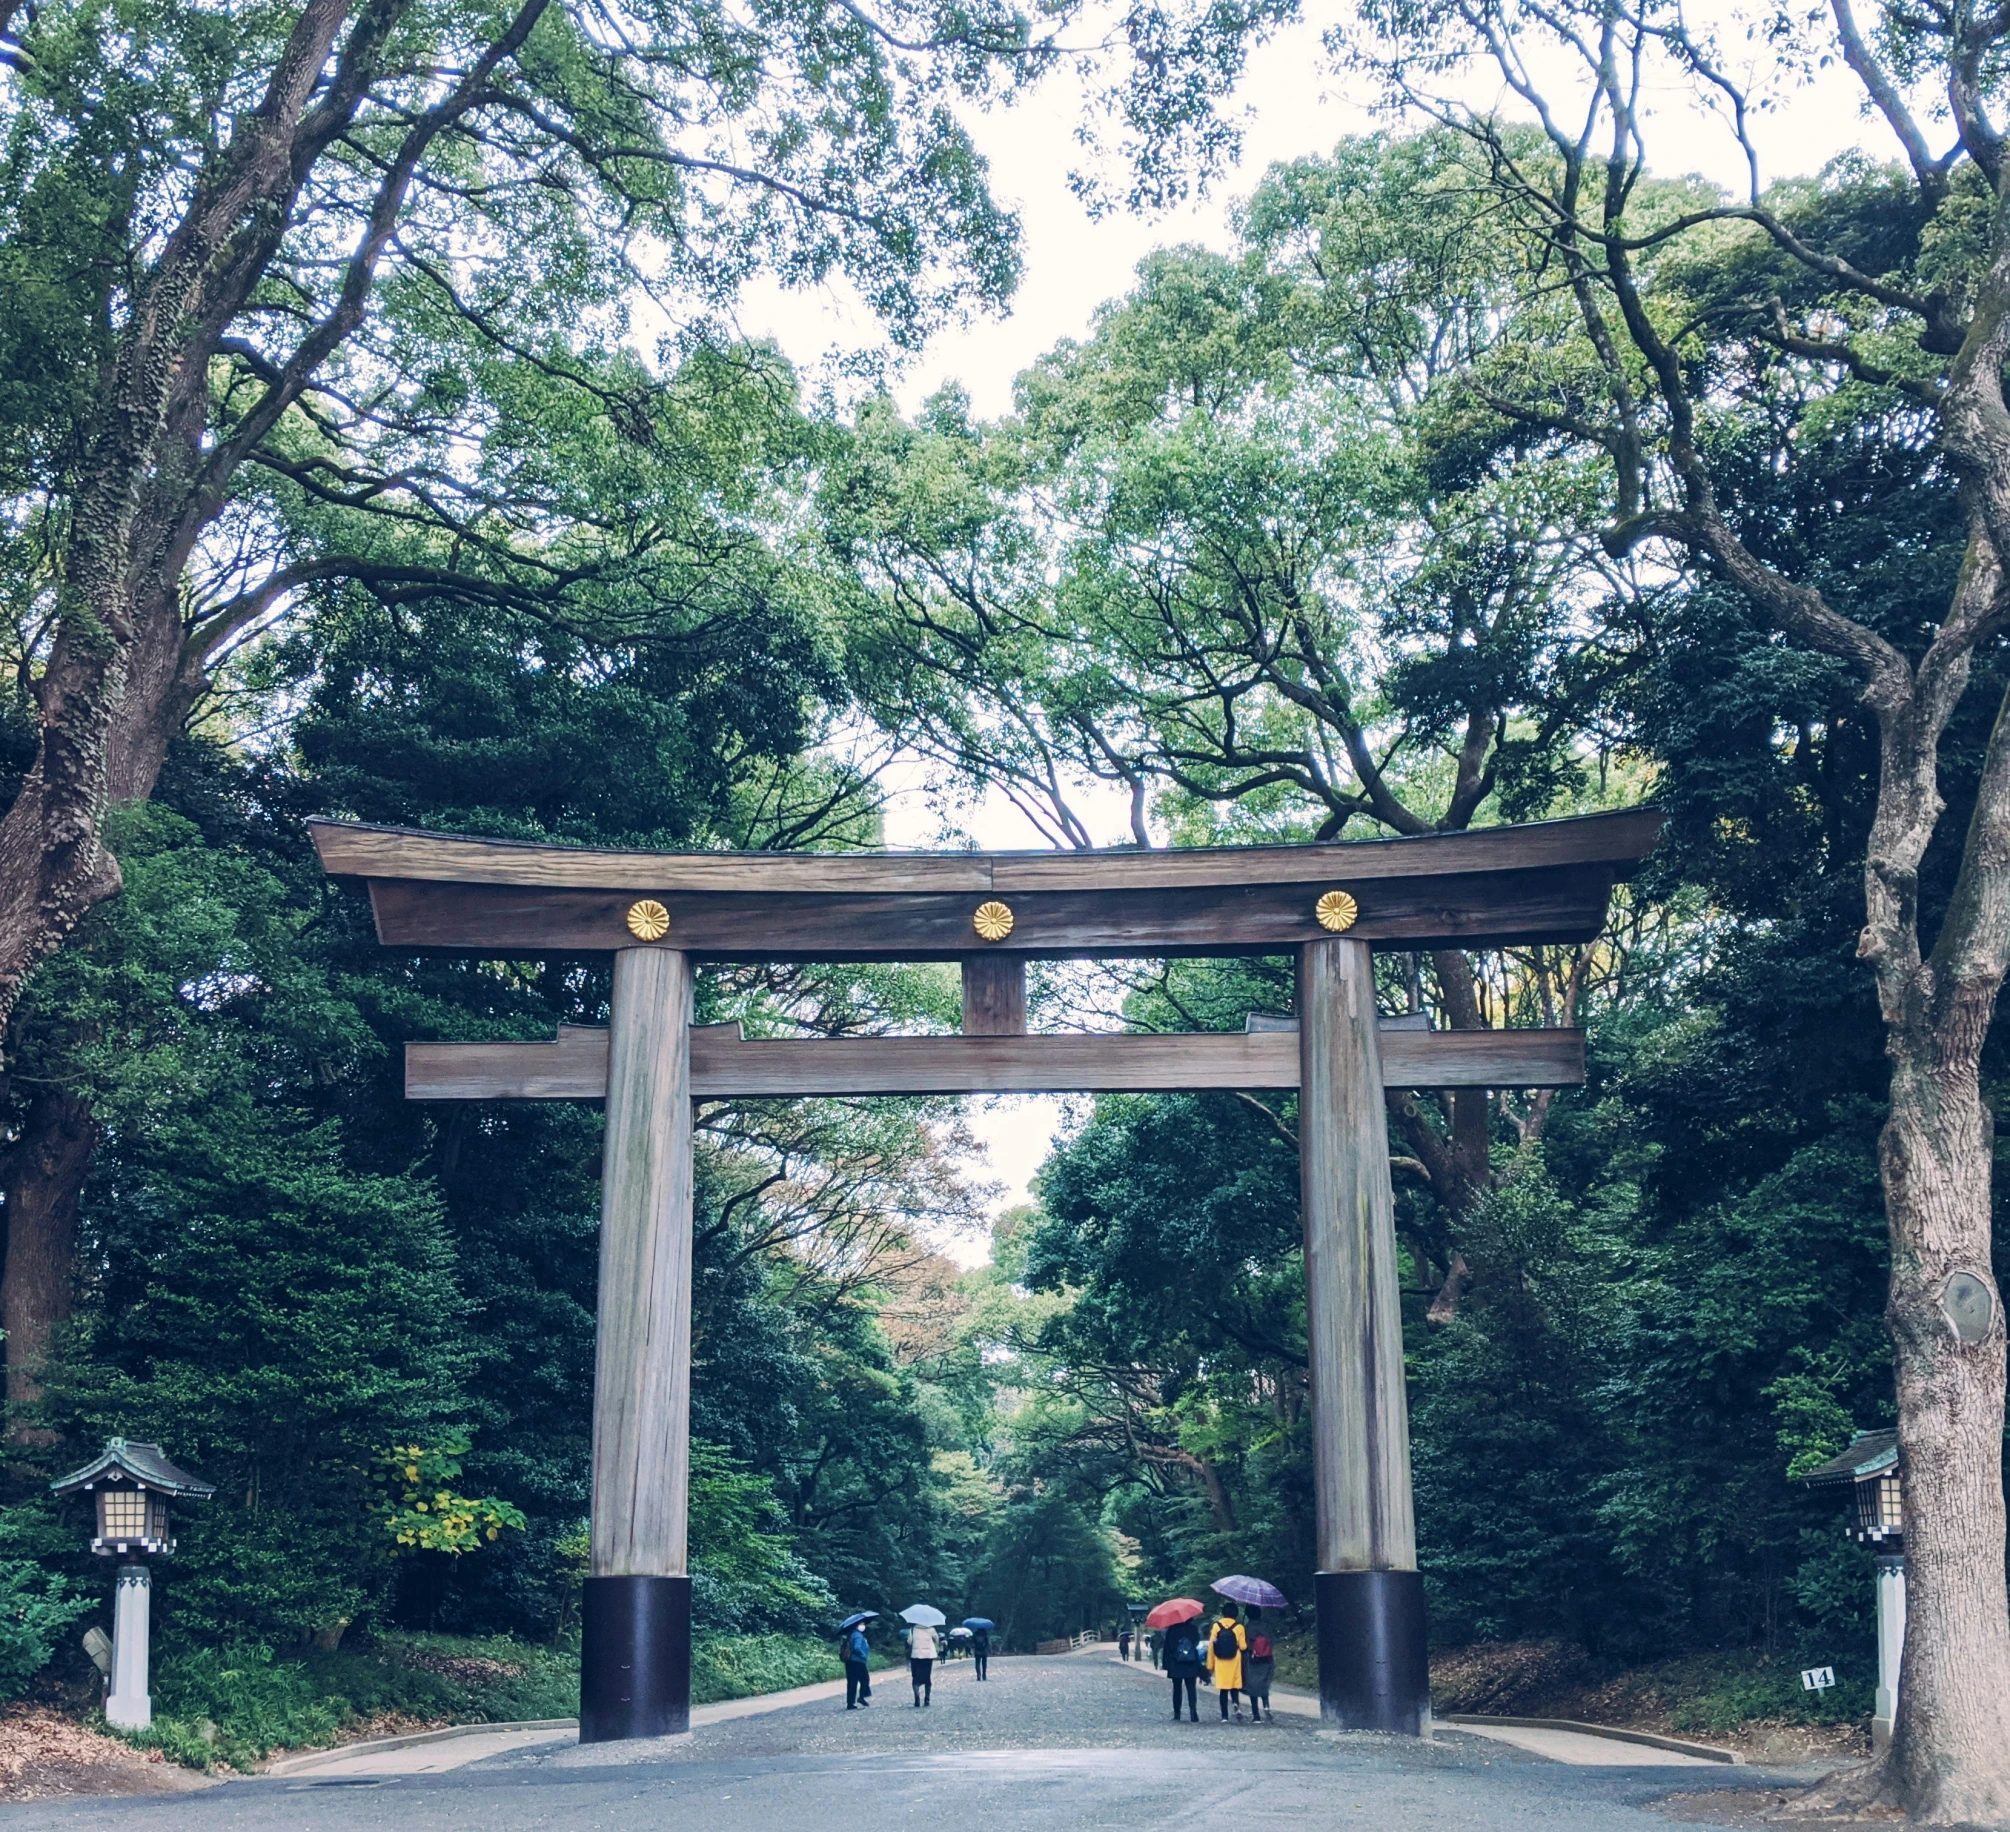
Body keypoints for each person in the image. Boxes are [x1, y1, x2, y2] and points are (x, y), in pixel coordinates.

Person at [1206, 1603, 1248, 1720]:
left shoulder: (1216, 1626)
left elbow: (1211, 1646)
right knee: (1234, 1687)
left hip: (1220, 1661)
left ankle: (1224, 1716)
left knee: (1223, 1690)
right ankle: (1236, 1705)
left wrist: (1210, 1665)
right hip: (1234, 1660)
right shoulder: (1239, 1627)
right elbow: (1243, 1646)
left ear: (1223, 1613)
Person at [1164, 1616, 1204, 1721]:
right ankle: (1193, 1712)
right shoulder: (1193, 1629)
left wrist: (1166, 1664)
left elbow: (1168, 1647)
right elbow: (1196, 1643)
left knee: (1177, 1688)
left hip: (1176, 1663)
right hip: (1191, 1662)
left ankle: (1177, 1713)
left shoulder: (1172, 1629)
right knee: (1191, 1688)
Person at [1243, 1624, 1275, 1723]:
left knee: (1253, 1687)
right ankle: (1266, 1706)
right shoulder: (1266, 1626)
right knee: (1264, 1684)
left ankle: (1256, 1715)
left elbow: (1244, 1645)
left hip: (1253, 1660)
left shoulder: (1248, 1628)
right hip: (1267, 1659)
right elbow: (1272, 1642)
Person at [844, 1623, 873, 1710]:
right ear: (856, 1626)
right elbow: (857, 1647)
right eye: (861, 1624)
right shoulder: (858, 1635)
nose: (863, 1626)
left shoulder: (851, 1634)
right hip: (857, 1661)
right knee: (865, 1679)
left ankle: (850, 1703)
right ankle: (861, 1697)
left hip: (850, 1662)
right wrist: (863, 1655)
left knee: (852, 1682)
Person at [909, 1620, 938, 1706]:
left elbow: (909, 1641)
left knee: (915, 1677)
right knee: (927, 1677)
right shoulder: (931, 1629)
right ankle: (927, 1699)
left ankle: (917, 1698)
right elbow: (936, 1640)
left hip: (915, 1656)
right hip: (928, 1656)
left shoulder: (913, 1629)